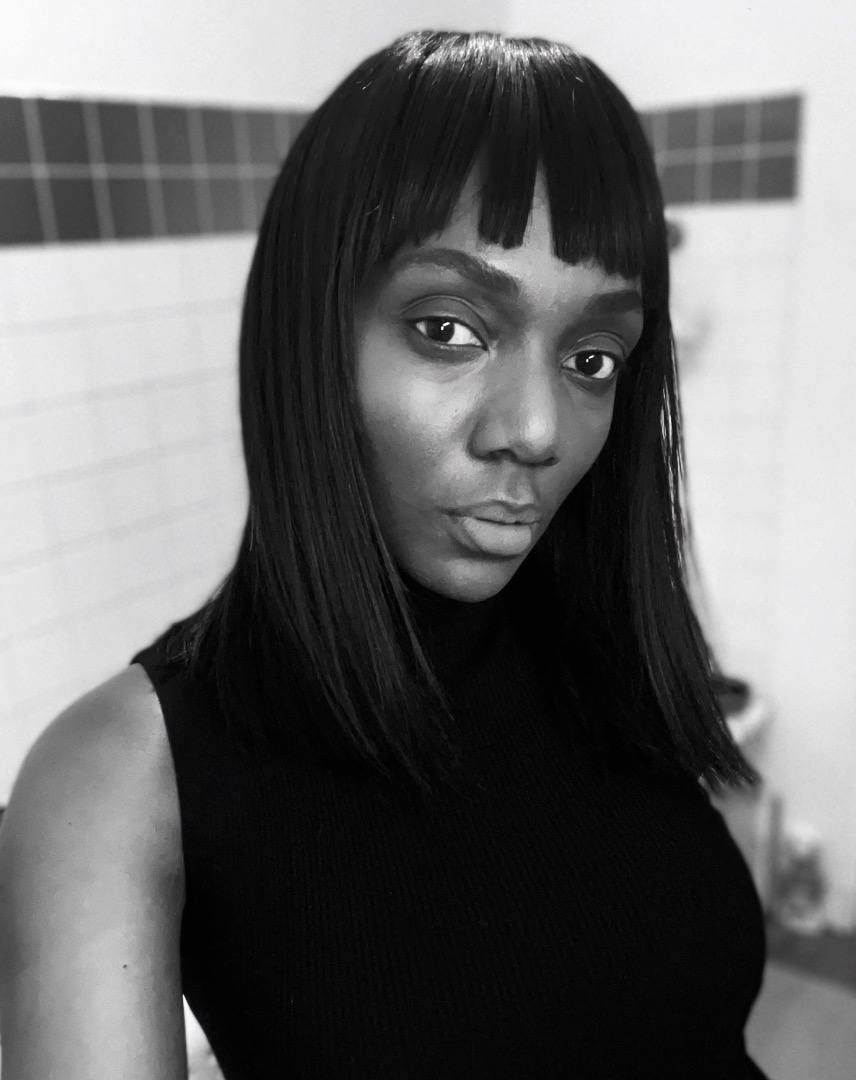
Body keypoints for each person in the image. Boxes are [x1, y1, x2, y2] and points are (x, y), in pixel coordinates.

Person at [0, 30, 770, 1079]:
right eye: (449, 329)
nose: (536, 430)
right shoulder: (121, 777)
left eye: (592, 357)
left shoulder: (605, 641)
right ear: (312, 330)